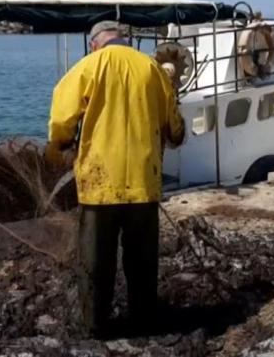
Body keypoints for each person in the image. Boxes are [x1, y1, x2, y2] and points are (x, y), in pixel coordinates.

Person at [46, 21, 185, 336]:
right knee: (142, 260)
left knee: (96, 261)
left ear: (95, 44)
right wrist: (176, 133)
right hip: (143, 183)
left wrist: (62, 143)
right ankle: (144, 319)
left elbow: (60, 118)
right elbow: (174, 125)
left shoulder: (89, 66)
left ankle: (95, 325)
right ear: (123, 40)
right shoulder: (151, 68)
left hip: (99, 185)